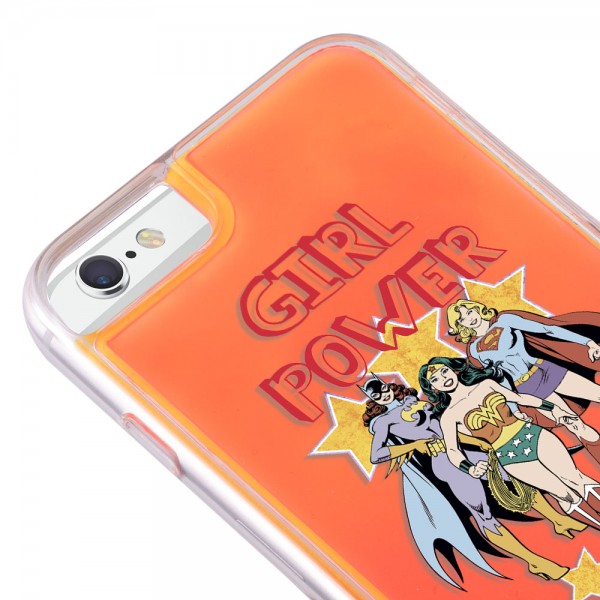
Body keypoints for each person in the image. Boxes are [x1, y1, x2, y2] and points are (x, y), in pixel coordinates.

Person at [361, 374, 579, 582]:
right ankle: (535, 562)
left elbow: (447, 430)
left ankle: (558, 520)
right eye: (377, 395)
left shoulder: (414, 401)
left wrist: (477, 442)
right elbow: (376, 455)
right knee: (483, 513)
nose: (384, 395)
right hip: (445, 464)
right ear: (372, 399)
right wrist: (415, 445)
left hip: (465, 449)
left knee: (516, 478)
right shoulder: (383, 422)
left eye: (384, 389)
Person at [418, 356, 600, 533]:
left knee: (576, 479)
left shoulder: (486, 385)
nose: (443, 378)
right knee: (564, 494)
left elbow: (520, 399)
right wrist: (471, 468)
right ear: (433, 388)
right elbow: (452, 450)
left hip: (532, 434)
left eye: (444, 371)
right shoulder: (448, 416)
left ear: (454, 370)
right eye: (435, 379)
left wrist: (554, 408)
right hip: (510, 456)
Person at [446, 300, 600, 462]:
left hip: (547, 370)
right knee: (575, 425)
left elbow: (548, 329)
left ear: (477, 309)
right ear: (460, 325)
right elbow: (500, 379)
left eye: (469, 312)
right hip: (528, 388)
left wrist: (587, 342)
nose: (469, 318)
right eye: (462, 319)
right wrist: (514, 409)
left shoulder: (504, 320)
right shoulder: (473, 350)